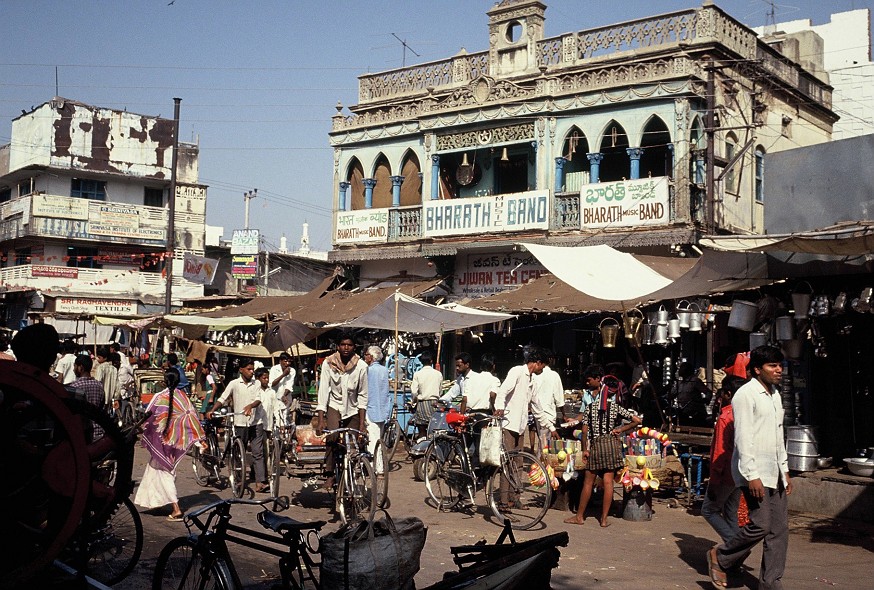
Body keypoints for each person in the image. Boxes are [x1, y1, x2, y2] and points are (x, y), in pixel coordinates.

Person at [707, 346, 792, 590]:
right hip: (753, 472)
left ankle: (771, 583)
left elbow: (778, 435)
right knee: (762, 525)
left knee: (779, 531)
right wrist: (752, 475)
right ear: (757, 369)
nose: (779, 371)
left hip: (774, 471)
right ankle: (721, 556)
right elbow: (742, 438)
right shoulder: (745, 395)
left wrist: (784, 469)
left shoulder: (775, 394)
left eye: (780, 366)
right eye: (772, 366)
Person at [564, 364, 641, 528]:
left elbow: (584, 432)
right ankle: (604, 519)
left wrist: (585, 449)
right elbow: (637, 420)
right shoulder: (614, 407)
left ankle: (579, 516)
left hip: (597, 444)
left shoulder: (590, 409)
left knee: (588, 482)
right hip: (612, 445)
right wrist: (620, 429)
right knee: (608, 482)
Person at [493, 348, 559, 513]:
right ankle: (503, 501)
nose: (542, 370)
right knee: (507, 464)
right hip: (509, 424)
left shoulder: (533, 381)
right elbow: (503, 391)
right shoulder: (517, 372)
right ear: (537, 363)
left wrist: (551, 427)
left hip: (520, 426)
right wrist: (499, 408)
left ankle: (514, 498)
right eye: (542, 366)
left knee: (519, 464)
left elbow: (537, 407)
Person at [134, 369, 204, 520]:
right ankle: (155, 502)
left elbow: (148, 414)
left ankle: (175, 507)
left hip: (162, 441)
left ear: (164, 381)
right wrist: (198, 441)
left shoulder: (160, 397)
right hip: (174, 442)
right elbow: (191, 418)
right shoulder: (184, 397)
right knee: (155, 469)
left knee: (165, 473)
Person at [315, 333, 368, 491]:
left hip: (352, 408)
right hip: (334, 405)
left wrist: (362, 423)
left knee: (352, 444)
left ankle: (350, 477)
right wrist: (320, 419)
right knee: (332, 435)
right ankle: (330, 473)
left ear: (354, 347)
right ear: (338, 346)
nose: (346, 348)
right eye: (343, 344)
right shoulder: (328, 363)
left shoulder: (361, 366)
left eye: (349, 345)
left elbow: (363, 395)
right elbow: (324, 391)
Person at [207, 358, 269, 493]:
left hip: (255, 422)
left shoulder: (257, 383)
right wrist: (212, 410)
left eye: (253, 369)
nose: (252, 372)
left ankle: (260, 482)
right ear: (241, 370)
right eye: (249, 369)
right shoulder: (234, 384)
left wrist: (251, 406)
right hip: (240, 423)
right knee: (238, 453)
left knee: (258, 453)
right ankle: (239, 479)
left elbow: (258, 399)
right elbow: (223, 398)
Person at [702, 375, 747, 544]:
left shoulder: (726, 417)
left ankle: (735, 546)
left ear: (728, 394)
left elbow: (720, 451)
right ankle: (738, 545)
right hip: (740, 473)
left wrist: (714, 480)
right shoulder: (745, 415)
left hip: (726, 473)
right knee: (730, 512)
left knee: (709, 510)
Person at [531, 351, 568, 453]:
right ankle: (541, 466)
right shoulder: (553, 375)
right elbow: (559, 398)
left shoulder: (534, 375)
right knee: (544, 446)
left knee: (542, 441)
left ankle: (541, 465)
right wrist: (564, 414)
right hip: (548, 414)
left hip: (537, 413)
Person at [68, 354, 107, 442]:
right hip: (99, 433)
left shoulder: (74, 387)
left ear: (80, 367)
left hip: (82, 434)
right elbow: (102, 407)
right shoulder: (99, 386)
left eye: (74, 366)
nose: (73, 369)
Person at [364, 345, 392, 456]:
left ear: (371, 357)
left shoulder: (367, 370)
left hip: (371, 408)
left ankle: (376, 466)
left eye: (366, 355)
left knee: (372, 440)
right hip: (383, 408)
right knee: (379, 438)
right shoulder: (384, 370)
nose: (365, 357)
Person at [410, 350, 443, 438]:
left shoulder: (417, 374)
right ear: (431, 361)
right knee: (434, 428)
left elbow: (414, 392)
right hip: (434, 404)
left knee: (421, 429)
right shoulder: (438, 374)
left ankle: (421, 447)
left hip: (422, 404)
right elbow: (440, 391)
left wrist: (414, 402)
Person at [670, 361, 713, 426]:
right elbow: (671, 395)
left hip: (696, 414)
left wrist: (706, 400)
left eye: (682, 368)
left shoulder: (695, 381)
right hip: (684, 413)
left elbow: (708, 392)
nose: (680, 370)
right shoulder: (679, 383)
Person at [269, 352, 296, 428]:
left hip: (286, 398)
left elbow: (289, 385)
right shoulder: (274, 369)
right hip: (275, 398)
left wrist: (284, 395)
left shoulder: (292, 371)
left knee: (285, 420)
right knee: (277, 421)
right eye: (285, 361)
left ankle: (284, 437)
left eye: (289, 361)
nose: (287, 363)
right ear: (280, 361)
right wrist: (283, 374)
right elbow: (272, 384)